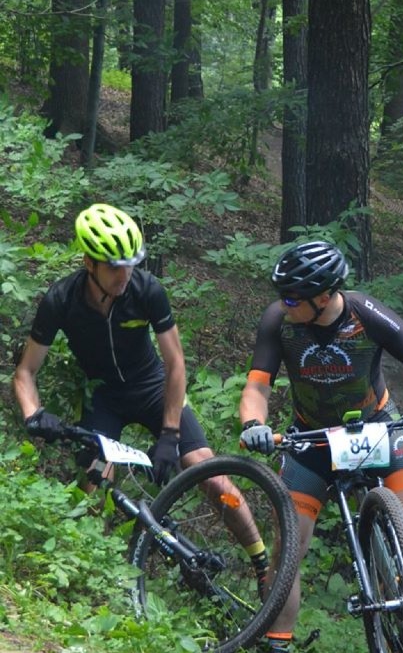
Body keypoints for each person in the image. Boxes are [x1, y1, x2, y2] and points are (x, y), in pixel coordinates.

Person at [239, 240, 403, 653]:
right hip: (313, 441)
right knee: (289, 543)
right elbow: (257, 387)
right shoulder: (279, 322)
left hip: (376, 429)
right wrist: (253, 423)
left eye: (292, 298)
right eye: (280, 295)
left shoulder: (365, 314)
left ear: (323, 297)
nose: (283, 304)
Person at [13, 203, 268, 586]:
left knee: (210, 474)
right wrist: (34, 414)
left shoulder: (146, 290)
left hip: (153, 387)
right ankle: (86, 578)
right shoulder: (61, 299)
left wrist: (169, 434)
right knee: (94, 482)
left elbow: (176, 364)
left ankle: (264, 565)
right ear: (89, 262)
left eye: (130, 263)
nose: (124, 274)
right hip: (104, 398)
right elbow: (25, 371)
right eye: (114, 266)